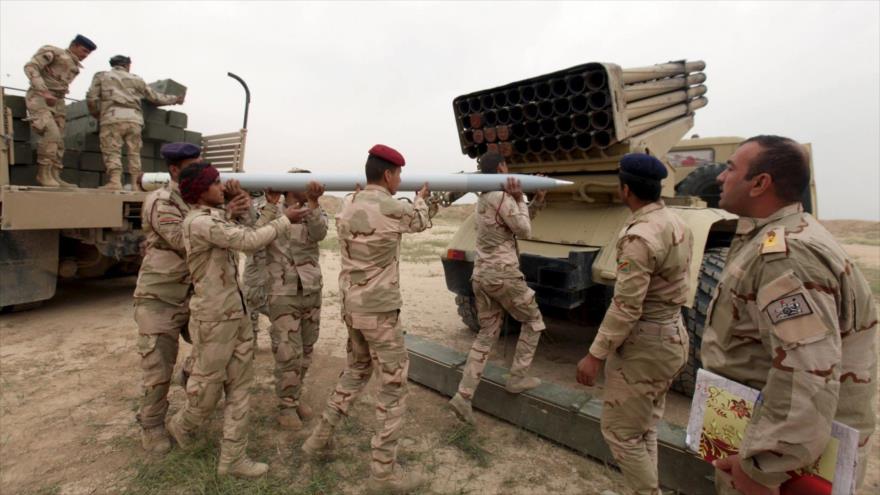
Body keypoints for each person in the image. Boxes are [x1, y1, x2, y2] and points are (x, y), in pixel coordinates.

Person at [700, 135, 877, 495]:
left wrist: (763, 468)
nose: (720, 177)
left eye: (731, 168)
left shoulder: (786, 255)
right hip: (754, 434)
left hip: (779, 467)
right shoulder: (775, 237)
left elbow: (807, 369)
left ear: (760, 183)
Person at [302, 144, 431, 494]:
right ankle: (383, 475)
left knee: (357, 369)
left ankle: (319, 438)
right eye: (398, 175)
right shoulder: (393, 207)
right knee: (393, 386)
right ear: (389, 175)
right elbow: (420, 221)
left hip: (352, 308)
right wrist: (421, 199)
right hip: (379, 312)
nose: (400, 180)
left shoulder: (348, 204)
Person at [167, 163, 310, 478]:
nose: (222, 187)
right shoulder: (199, 222)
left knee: (240, 387)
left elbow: (248, 230)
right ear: (201, 190)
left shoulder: (215, 218)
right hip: (215, 319)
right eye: (216, 183)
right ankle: (182, 424)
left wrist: (267, 206)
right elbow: (249, 241)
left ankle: (233, 458)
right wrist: (284, 218)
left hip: (237, 314)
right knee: (206, 389)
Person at [575, 153, 693, 495]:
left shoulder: (640, 236)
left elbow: (626, 306)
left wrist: (595, 355)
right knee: (644, 427)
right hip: (672, 337)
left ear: (625, 189)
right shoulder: (676, 222)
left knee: (620, 432)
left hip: (646, 347)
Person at [447, 151, 546, 426]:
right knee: (533, 321)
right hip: (504, 276)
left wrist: (535, 200)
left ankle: (463, 395)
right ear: (502, 167)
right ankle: (517, 378)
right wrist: (519, 198)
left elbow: (513, 224)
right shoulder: (502, 197)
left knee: (486, 335)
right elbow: (524, 230)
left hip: (482, 276)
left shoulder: (483, 199)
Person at [133, 142, 206, 454]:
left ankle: (189, 373)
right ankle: (152, 424)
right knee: (158, 366)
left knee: (213, 348)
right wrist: (217, 213)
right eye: (192, 166)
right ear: (174, 170)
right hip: (160, 296)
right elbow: (182, 239)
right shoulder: (161, 201)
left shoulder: (198, 199)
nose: (199, 170)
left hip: (195, 293)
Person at [257, 168, 328, 430]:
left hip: (310, 289)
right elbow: (255, 238)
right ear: (288, 187)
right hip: (282, 292)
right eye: (302, 183)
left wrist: (314, 203)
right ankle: (286, 406)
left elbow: (320, 234)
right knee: (287, 352)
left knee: (307, 349)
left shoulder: (314, 210)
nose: (308, 187)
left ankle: (295, 396)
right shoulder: (270, 211)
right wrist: (273, 209)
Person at [85, 55, 184, 190]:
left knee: (112, 151)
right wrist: (175, 99)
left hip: (112, 118)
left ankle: (115, 182)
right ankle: (135, 183)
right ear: (128, 65)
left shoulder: (102, 76)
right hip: (134, 119)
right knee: (134, 152)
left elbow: (91, 98)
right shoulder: (137, 79)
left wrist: (96, 114)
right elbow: (154, 97)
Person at [23, 34, 96, 188]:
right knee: (51, 133)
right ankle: (43, 174)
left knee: (60, 141)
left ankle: (55, 175)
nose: (85, 55)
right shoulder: (54, 52)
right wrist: (44, 91)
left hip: (58, 101)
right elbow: (30, 67)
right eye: (84, 51)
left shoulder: (74, 65)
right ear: (74, 45)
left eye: (88, 53)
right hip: (40, 97)